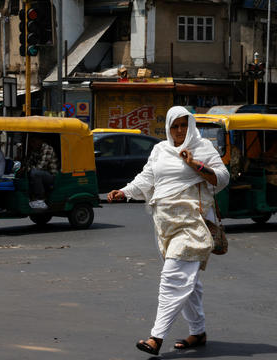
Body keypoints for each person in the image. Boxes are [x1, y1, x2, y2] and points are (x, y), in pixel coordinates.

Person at [107, 106, 229, 356]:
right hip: (164, 223)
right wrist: (125, 192)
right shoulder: (160, 150)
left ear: (191, 126)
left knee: (174, 276)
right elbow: (147, 178)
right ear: (168, 128)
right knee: (189, 281)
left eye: (184, 124)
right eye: (175, 126)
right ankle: (198, 331)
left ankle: (156, 337)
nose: (180, 130)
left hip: (193, 222)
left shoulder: (203, 147)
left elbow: (222, 177)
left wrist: (195, 164)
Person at [26, 135, 58, 209]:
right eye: (31, 142)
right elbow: (28, 163)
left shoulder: (47, 149)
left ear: (40, 141)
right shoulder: (35, 149)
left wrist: (29, 169)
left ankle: (40, 199)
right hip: (42, 174)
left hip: (51, 176)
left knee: (35, 173)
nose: (32, 144)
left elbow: (40, 167)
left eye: (34, 141)